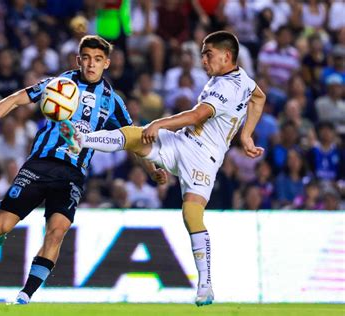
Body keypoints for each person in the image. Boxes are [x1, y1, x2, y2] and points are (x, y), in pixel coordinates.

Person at [60, 31, 266, 306]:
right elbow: (259, 97)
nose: (202, 59)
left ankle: (205, 284)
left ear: (226, 56)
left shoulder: (225, 87)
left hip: (204, 158)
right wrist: (246, 135)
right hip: (183, 142)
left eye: (208, 54)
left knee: (191, 213)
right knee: (136, 136)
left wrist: (159, 123)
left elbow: (196, 115)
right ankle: (82, 140)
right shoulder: (244, 80)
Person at [0, 35, 166, 304]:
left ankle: (26, 295)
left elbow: (132, 139)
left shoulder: (112, 101)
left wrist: (152, 169)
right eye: (86, 58)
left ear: (107, 63)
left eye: (97, 60)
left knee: (57, 231)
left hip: (73, 173)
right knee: (1, 225)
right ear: (78, 59)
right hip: (40, 164)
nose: (91, 65)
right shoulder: (59, 84)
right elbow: (14, 99)